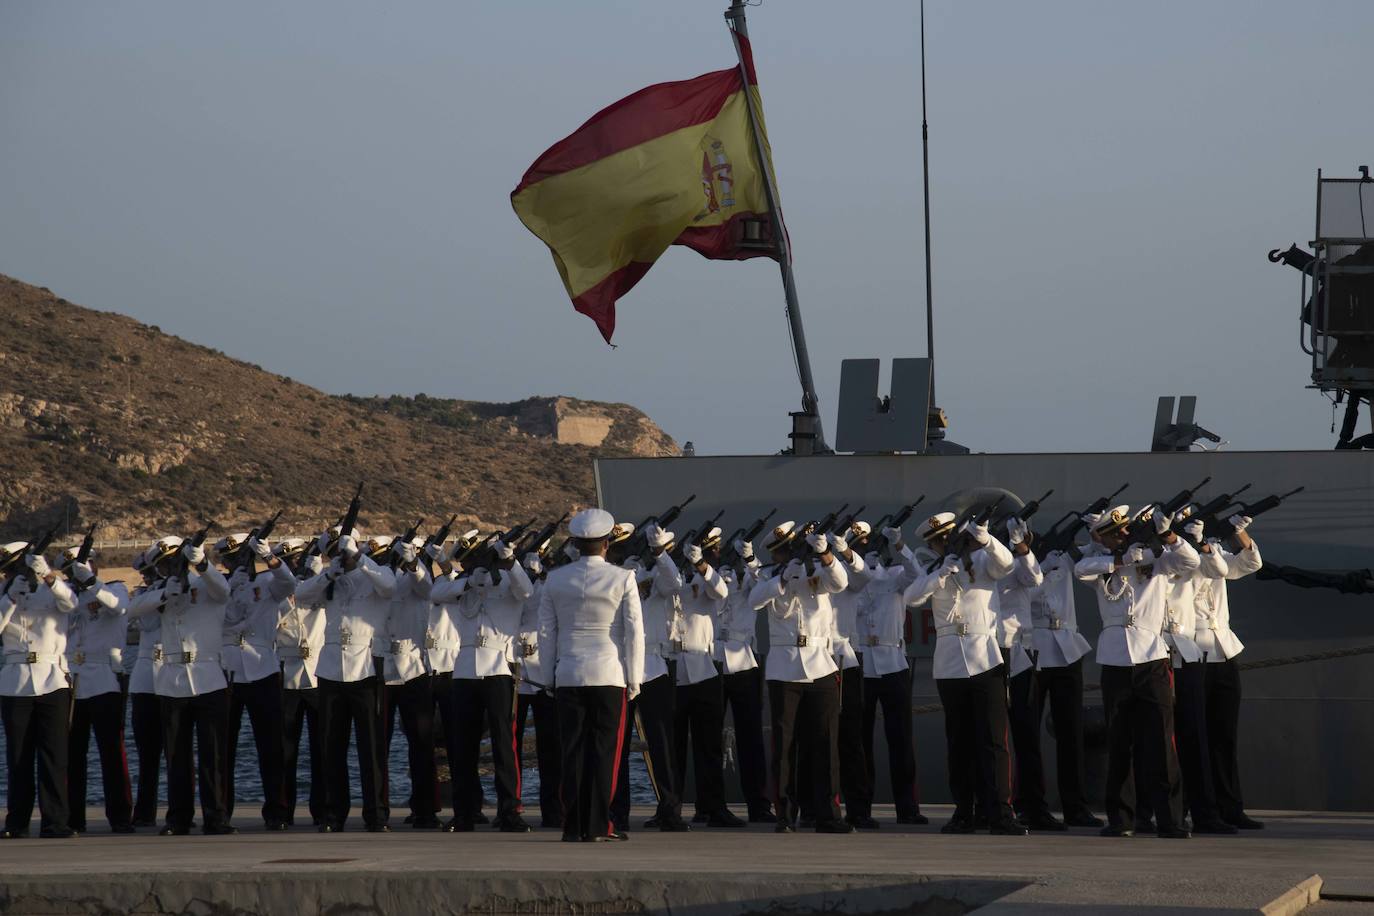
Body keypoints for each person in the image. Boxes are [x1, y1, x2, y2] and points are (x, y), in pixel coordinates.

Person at [1075, 505, 1198, 839]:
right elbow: (1080, 569)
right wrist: (1119, 560)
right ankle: (1122, 818)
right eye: (1116, 534)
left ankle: (1170, 819)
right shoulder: (1105, 567)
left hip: (1151, 658)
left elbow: (1190, 562)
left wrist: (1167, 536)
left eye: (1126, 531)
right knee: (1120, 743)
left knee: (1161, 742)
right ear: (1104, 538)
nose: (1124, 536)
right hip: (1115, 661)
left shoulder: (1155, 561)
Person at [904, 511, 1026, 836]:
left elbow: (1008, 565)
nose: (942, 545)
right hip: (949, 664)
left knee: (993, 742)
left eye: (947, 538)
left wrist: (985, 539)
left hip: (985, 658)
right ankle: (964, 811)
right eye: (937, 542)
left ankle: (1000, 812)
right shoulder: (936, 570)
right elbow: (912, 597)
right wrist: (940, 576)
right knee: (959, 742)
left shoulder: (983, 562)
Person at [537, 508, 644, 842]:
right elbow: (634, 631)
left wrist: (548, 676)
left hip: (568, 673)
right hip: (609, 673)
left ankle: (573, 825)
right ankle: (600, 825)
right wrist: (634, 677)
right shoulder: (623, 577)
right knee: (605, 754)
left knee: (572, 753)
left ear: (576, 543)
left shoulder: (555, 579)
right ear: (607, 542)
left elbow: (545, 632)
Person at [128, 535, 236, 836]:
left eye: (172, 562)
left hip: (207, 675)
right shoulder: (161, 589)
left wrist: (202, 563)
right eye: (162, 565)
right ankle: (179, 818)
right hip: (171, 678)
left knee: (213, 754)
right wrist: (163, 594)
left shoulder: (206, 583)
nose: (167, 568)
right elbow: (132, 609)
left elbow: (223, 590)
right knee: (177, 755)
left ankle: (216, 817)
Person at [748, 522, 852, 834]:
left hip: (820, 665)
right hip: (784, 667)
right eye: (784, 551)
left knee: (825, 741)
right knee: (785, 745)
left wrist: (825, 555)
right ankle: (784, 813)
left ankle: (827, 814)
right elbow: (754, 600)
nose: (790, 555)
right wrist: (782, 578)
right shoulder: (770, 576)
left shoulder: (818, 573)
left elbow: (841, 582)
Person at [430, 534, 533, 833]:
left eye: (477, 559)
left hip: (499, 667)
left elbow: (526, 591)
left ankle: (509, 811)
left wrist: (510, 562)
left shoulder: (509, 582)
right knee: (463, 747)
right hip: (463, 670)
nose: (472, 564)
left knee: (503, 744)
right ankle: (465, 812)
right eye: (468, 561)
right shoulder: (465, 585)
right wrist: (467, 582)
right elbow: (436, 594)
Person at [295, 530, 397, 833]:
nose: (339, 558)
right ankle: (332, 814)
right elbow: (301, 596)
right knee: (331, 747)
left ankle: (376, 815)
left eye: (342, 553)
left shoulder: (376, 572)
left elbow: (389, 587)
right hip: (330, 670)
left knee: (372, 748)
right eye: (334, 553)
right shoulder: (331, 577)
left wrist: (360, 559)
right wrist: (329, 574)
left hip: (365, 668)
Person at [610, 522, 691, 832]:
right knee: (617, 743)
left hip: (652, 666)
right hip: (618, 666)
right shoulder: (611, 578)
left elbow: (675, 583)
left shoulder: (655, 574)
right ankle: (617, 812)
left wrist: (658, 554)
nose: (621, 554)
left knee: (662, 742)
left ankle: (670, 810)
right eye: (616, 549)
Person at [217, 532, 295, 831]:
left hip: (263, 669)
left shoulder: (267, 583)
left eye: (243, 558)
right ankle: (221, 812)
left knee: (272, 747)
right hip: (229, 672)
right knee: (223, 747)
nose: (240, 564)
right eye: (233, 559)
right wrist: (230, 590)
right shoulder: (220, 586)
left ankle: (277, 812)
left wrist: (270, 559)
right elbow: (225, 620)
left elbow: (289, 585)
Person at [1, 542, 78, 839]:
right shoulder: (5, 594)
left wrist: (47, 575)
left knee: (54, 755)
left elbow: (71, 604)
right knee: (18, 756)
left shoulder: (54, 589)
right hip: (15, 681)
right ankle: (16, 822)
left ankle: (56, 822)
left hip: (52, 679)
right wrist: (10, 596)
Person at [853, 522, 928, 826]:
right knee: (860, 742)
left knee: (901, 741)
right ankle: (861, 809)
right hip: (861, 665)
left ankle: (907, 808)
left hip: (893, 663)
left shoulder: (895, 576)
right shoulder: (849, 581)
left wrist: (900, 546)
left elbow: (918, 576)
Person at [1194, 514, 1265, 829]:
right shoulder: (1176, 558)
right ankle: (1200, 808)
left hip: (1222, 647)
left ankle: (1230, 806)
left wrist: (1239, 533)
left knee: (1224, 735)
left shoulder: (1214, 550)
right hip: (1191, 649)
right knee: (1195, 736)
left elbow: (1250, 564)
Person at [671, 527, 745, 827]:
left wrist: (702, 566)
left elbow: (721, 592)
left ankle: (712, 807)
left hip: (704, 666)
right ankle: (670, 809)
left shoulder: (711, 577)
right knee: (672, 746)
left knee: (709, 745)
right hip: (673, 667)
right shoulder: (669, 578)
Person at [994, 517, 1064, 831]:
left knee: (1026, 736)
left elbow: (1033, 579)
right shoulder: (985, 565)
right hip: (992, 654)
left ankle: (1033, 805)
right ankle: (997, 805)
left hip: (1020, 654)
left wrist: (1023, 548)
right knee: (996, 738)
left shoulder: (1020, 564)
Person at [60, 548, 135, 834]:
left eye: (79, 567)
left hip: (105, 678)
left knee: (112, 753)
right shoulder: (67, 595)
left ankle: (120, 817)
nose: (74, 574)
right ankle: (72, 818)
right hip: (73, 681)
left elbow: (118, 607)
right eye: (70, 569)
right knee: (72, 755)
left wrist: (90, 582)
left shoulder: (113, 589)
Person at [1028, 540, 1101, 828]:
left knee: (1071, 732)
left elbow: (1092, 557)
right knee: (1028, 733)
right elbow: (1027, 595)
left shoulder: (1066, 561)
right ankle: (1031, 805)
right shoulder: (1024, 567)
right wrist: (1043, 568)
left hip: (1068, 648)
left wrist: (1095, 532)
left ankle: (1076, 806)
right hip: (1035, 648)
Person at [713, 537, 774, 823]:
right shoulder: (707, 578)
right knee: (709, 738)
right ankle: (712, 805)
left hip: (743, 659)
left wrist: (750, 560)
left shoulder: (748, 580)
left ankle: (759, 805)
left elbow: (764, 584)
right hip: (711, 660)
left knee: (751, 738)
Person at [381, 535, 440, 830]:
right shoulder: (378, 578)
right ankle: (378, 810)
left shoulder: (416, 576)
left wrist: (414, 562)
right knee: (377, 746)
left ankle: (424, 809)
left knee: (420, 744)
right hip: (380, 671)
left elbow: (427, 588)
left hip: (412, 669)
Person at [275, 537, 328, 827]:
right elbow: (267, 621)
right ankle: (283, 812)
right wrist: (289, 596)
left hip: (318, 673)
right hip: (288, 674)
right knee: (285, 751)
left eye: (300, 559)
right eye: (291, 561)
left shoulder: (318, 583)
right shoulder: (277, 592)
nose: (296, 565)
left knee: (322, 749)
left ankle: (323, 810)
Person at [515, 548, 562, 828]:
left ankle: (554, 810)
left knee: (551, 748)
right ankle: (512, 807)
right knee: (510, 747)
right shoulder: (515, 584)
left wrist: (542, 576)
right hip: (516, 672)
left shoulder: (552, 584)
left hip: (544, 671)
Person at [126, 551, 164, 827]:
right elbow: (144, 618)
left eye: (153, 573)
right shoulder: (145, 596)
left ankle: (181, 809)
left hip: (174, 675)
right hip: (145, 678)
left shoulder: (180, 591)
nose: (148, 578)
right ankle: (145, 810)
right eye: (148, 574)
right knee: (146, 752)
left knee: (179, 751)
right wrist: (157, 590)